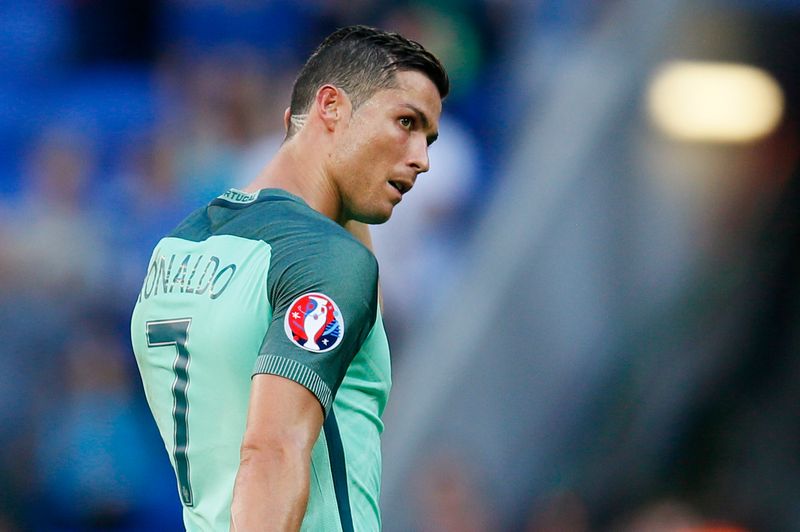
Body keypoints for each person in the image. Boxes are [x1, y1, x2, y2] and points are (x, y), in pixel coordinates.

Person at [130, 25, 448, 531]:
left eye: (427, 138)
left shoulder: (176, 251)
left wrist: (312, 141)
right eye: (405, 122)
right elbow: (273, 451)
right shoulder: (325, 260)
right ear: (331, 106)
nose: (422, 159)